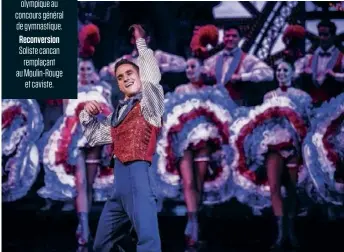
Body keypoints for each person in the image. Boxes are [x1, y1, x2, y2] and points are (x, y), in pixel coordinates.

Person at [79, 24, 164, 252]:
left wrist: (140, 43)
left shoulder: (150, 105)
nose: (125, 78)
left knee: (148, 243)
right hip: (119, 186)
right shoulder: (119, 112)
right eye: (120, 77)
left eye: (130, 74)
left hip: (140, 179)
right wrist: (86, 113)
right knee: (101, 245)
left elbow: (152, 80)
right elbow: (97, 136)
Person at [230, 61, 312, 249]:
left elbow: (307, 122)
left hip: (293, 148)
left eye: (285, 70)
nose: (282, 73)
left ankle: (291, 231)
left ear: (293, 73)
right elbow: (264, 122)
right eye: (279, 70)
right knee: (274, 188)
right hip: (273, 146)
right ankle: (280, 233)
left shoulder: (302, 96)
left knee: (292, 190)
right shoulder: (269, 96)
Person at [203, 25, 274, 105]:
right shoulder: (214, 60)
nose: (230, 38)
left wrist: (242, 77)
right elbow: (200, 70)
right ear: (223, 39)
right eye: (227, 36)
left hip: (236, 106)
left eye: (234, 36)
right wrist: (208, 72)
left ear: (239, 39)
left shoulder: (248, 59)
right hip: (215, 105)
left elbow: (269, 73)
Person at [294, 20, 344, 106]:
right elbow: (293, 76)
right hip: (312, 108)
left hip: (335, 108)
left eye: (325, 35)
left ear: (333, 36)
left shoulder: (342, 58)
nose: (321, 38)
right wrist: (301, 74)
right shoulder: (307, 59)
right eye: (320, 35)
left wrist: (335, 76)